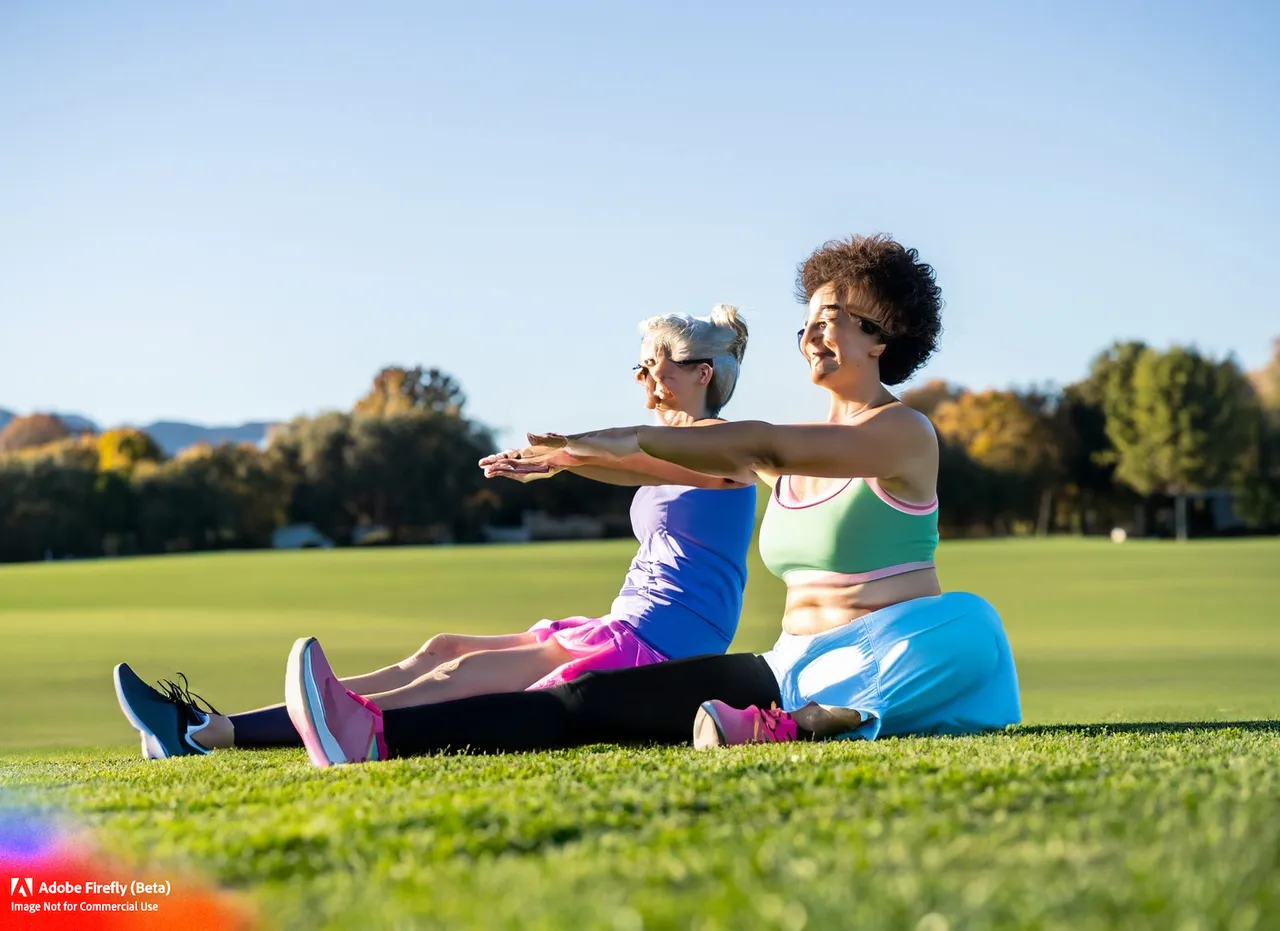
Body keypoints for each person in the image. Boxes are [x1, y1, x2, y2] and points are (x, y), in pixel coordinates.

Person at [280, 233, 1022, 767]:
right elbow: (660, 467)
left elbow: (755, 442)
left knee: (973, 624)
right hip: (792, 664)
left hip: (891, 649)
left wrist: (597, 439)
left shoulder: (902, 433)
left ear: (881, 337)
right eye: (810, 320)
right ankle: (370, 735)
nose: (812, 333)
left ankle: (803, 726)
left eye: (833, 317)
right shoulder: (784, 453)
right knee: (586, 702)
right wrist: (566, 462)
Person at [112, 307, 757, 759]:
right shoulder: (676, 454)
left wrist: (564, 451)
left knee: (466, 671)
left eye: (658, 364)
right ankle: (209, 727)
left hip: (660, 644)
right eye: (639, 367)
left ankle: (236, 735)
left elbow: (637, 454)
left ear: (704, 373)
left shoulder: (726, 450)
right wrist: (552, 466)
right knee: (441, 645)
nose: (645, 378)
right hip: (625, 622)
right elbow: (632, 465)